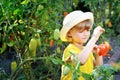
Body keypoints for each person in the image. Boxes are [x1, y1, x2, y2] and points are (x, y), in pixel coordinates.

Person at [60, 10, 105, 80]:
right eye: (81, 31)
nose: (85, 34)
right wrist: (94, 38)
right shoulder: (69, 50)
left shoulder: (87, 51)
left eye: (87, 30)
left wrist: (99, 54)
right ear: (69, 33)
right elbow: (80, 60)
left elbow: (99, 70)